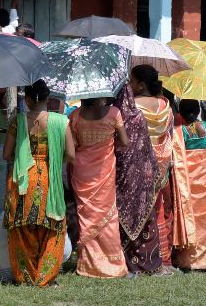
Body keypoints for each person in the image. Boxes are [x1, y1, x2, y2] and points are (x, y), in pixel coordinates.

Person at [3, 80, 75, 287]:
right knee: (52, 228)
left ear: (26, 99)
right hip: (48, 180)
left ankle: (26, 276)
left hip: (22, 179)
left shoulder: (17, 122)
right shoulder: (61, 122)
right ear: (48, 97)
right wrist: (51, 158)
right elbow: (71, 155)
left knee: (23, 229)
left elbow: (7, 155)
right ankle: (45, 277)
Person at [130, 65, 193, 275]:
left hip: (139, 164)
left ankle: (137, 258)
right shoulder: (166, 105)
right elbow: (168, 136)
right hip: (162, 165)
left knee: (137, 211)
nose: (129, 85)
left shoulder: (132, 106)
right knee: (159, 210)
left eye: (131, 81)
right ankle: (162, 259)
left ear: (141, 84)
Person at [68, 97, 129, 278]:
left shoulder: (75, 115)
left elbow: (74, 145)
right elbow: (124, 142)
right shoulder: (114, 113)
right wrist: (108, 145)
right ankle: (113, 264)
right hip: (104, 169)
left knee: (85, 215)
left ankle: (88, 265)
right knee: (108, 215)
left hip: (82, 171)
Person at [112, 83, 162, 275]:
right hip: (141, 175)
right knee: (144, 214)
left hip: (120, 174)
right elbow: (145, 146)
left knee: (121, 213)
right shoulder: (138, 117)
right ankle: (148, 263)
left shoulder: (115, 116)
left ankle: (123, 259)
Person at [173, 100, 206, 272]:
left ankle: (187, 260)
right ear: (199, 110)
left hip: (187, 183)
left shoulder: (179, 132)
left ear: (181, 114)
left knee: (189, 216)